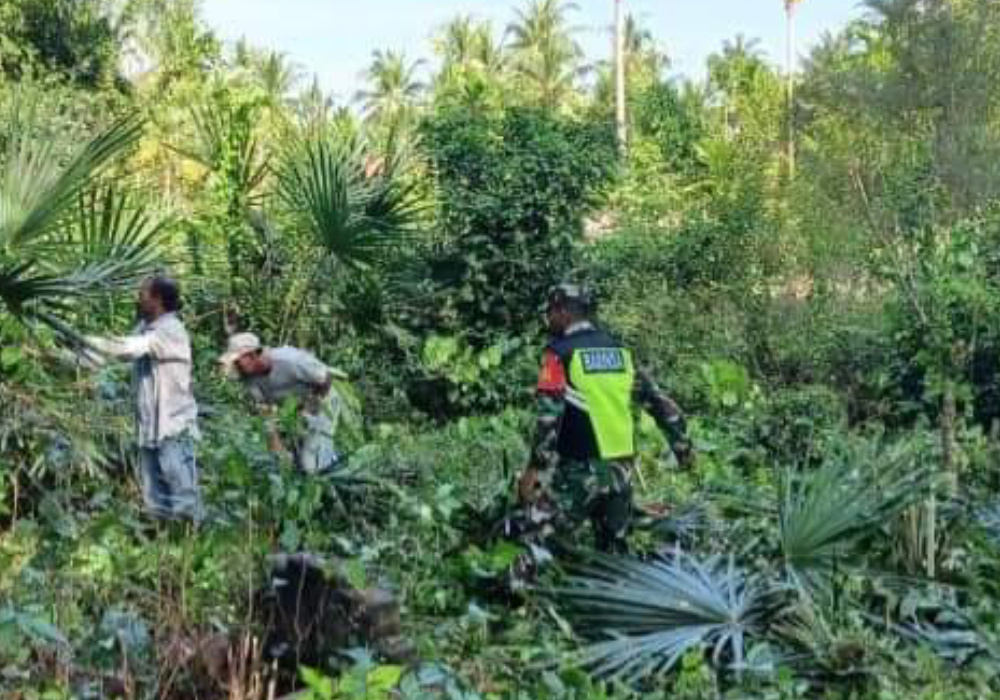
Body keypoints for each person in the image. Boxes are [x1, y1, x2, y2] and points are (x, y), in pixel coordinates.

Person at [518, 283, 694, 553]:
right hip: (620, 475)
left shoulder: (558, 354)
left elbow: (548, 419)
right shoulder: (620, 351)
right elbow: (662, 406)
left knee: (532, 538)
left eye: (550, 312)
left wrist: (533, 471)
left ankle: (521, 593)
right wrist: (683, 451)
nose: (548, 318)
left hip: (580, 474)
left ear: (564, 312)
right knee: (612, 560)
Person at [82, 276, 202, 522]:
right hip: (149, 428)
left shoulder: (171, 330)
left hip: (173, 428)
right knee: (155, 499)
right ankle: (165, 549)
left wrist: (88, 341)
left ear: (157, 299)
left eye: (142, 293)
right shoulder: (145, 329)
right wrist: (71, 352)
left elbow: (127, 347)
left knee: (182, 494)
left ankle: (194, 544)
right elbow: (115, 354)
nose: (138, 297)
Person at [218, 333, 347, 474]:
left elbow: (325, 378)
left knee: (312, 465)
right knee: (292, 459)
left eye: (237, 361)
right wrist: (278, 447)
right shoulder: (249, 378)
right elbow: (265, 412)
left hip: (323, 399)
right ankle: (319, 458)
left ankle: (333, 469)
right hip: (293, 409)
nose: (236, 366)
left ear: (252, 355)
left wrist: (309, 411)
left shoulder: (290, 360)